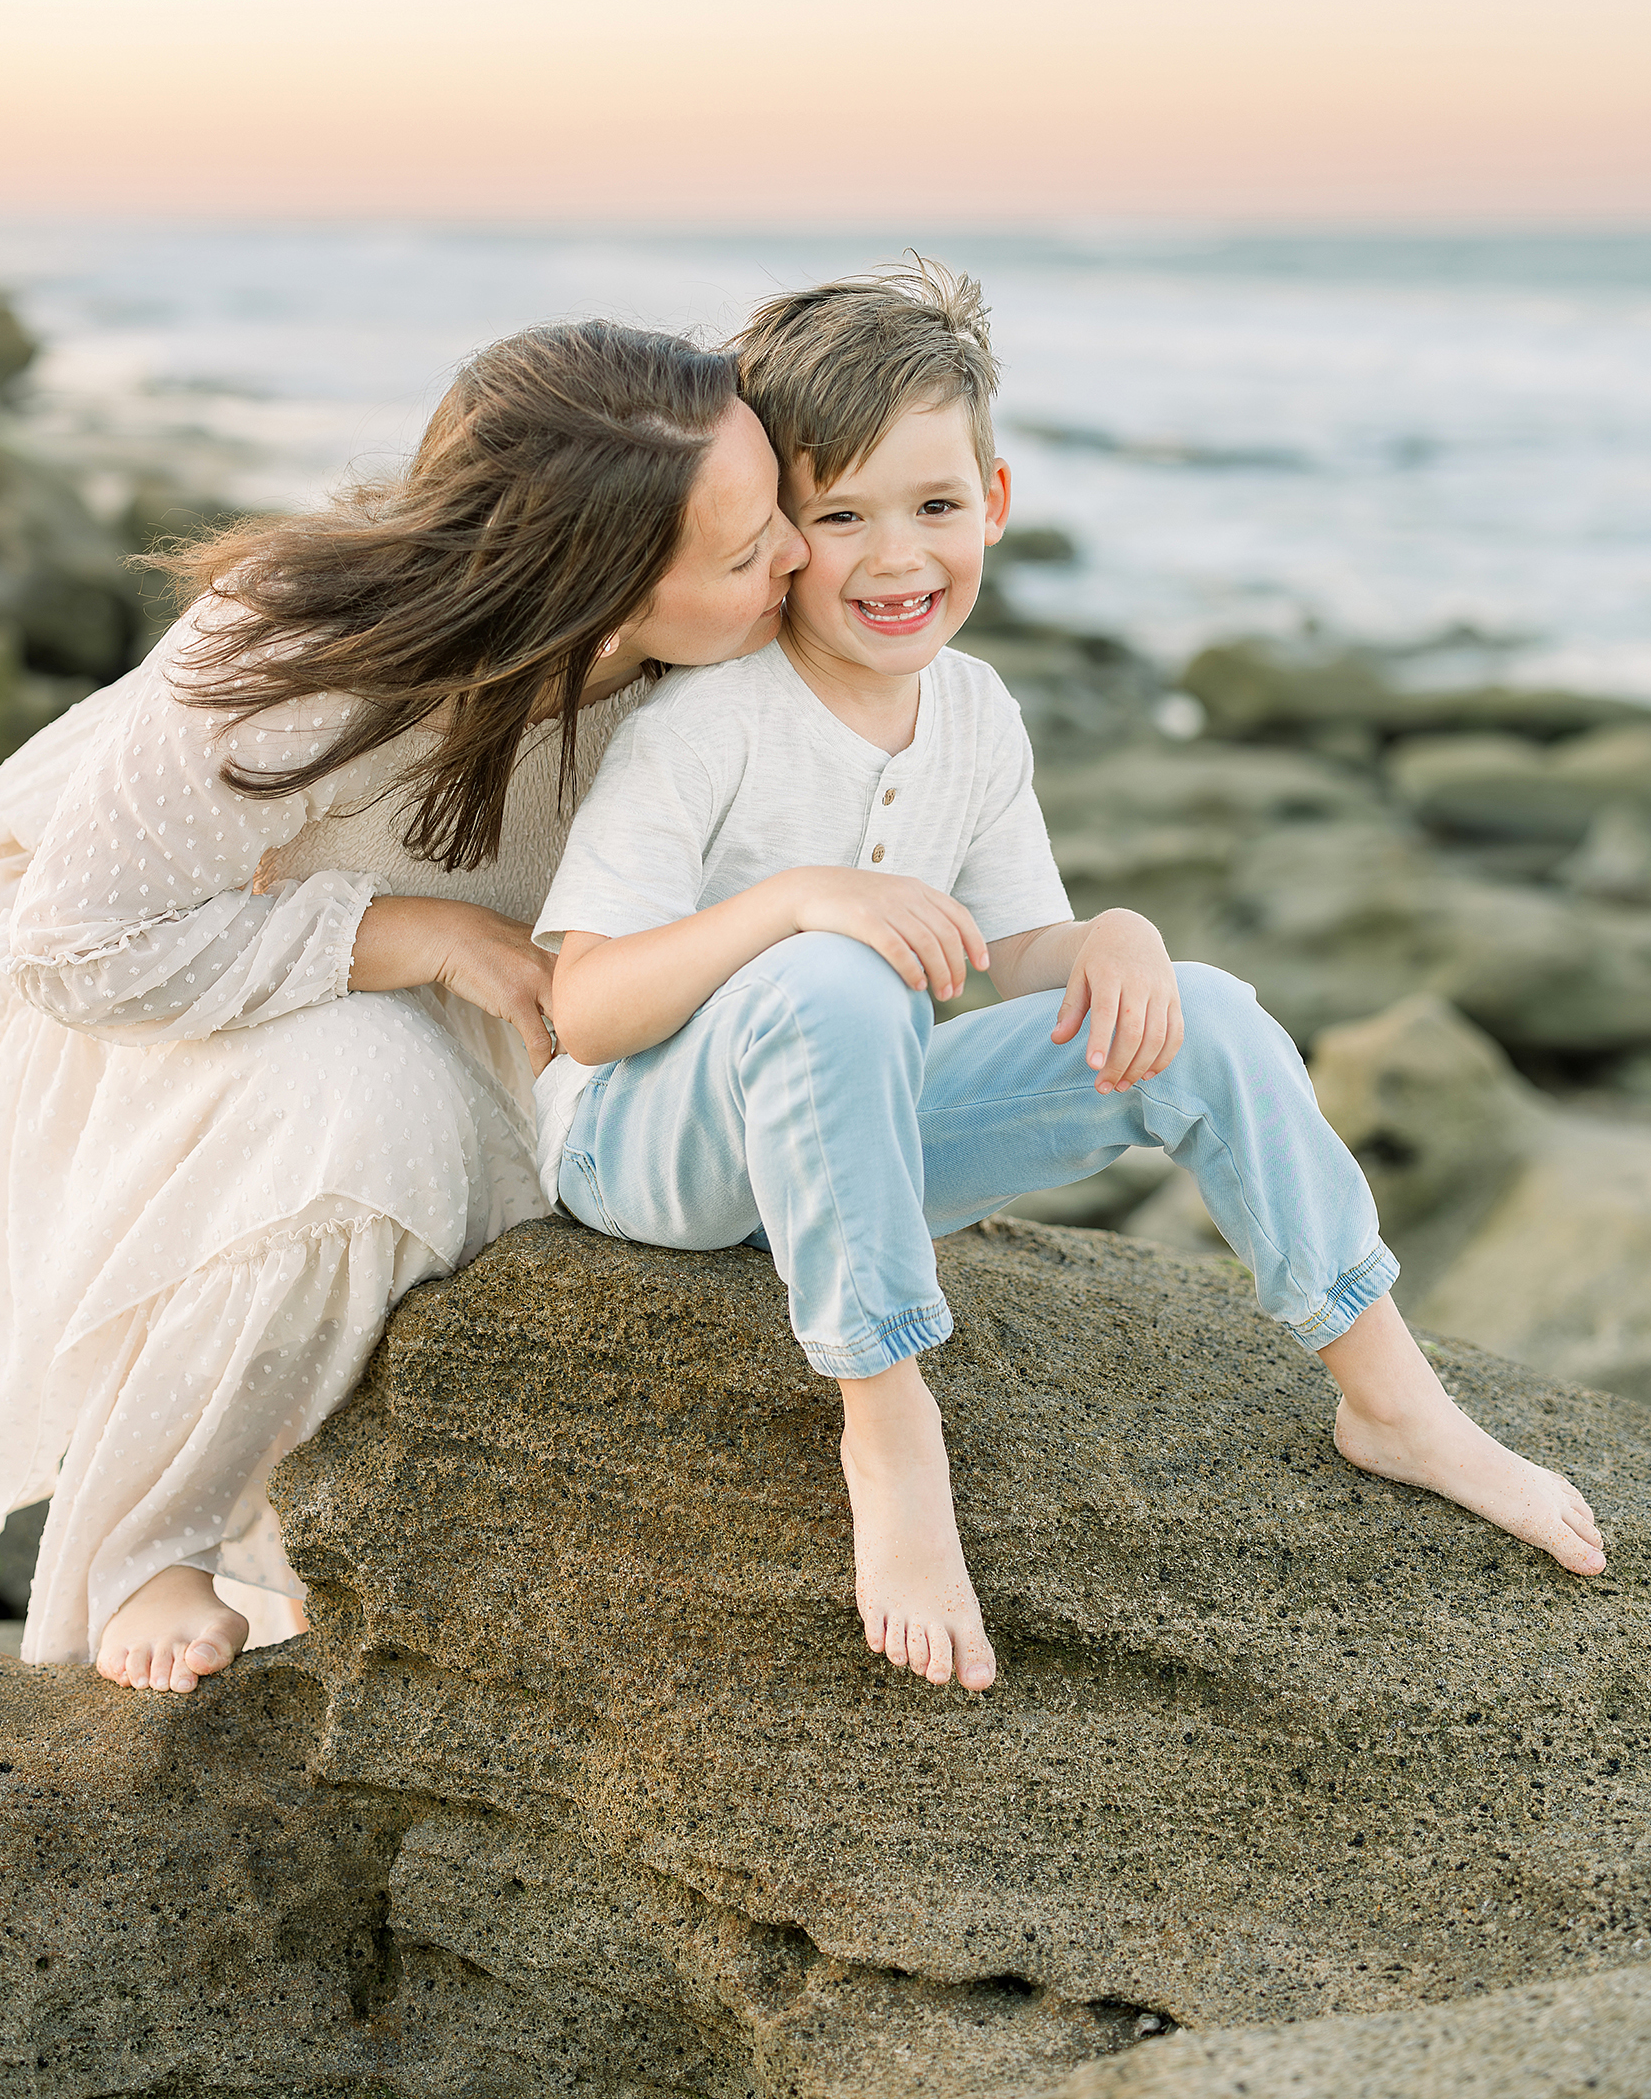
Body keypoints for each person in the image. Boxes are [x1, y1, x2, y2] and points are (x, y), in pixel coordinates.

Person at [533, 262, 1608, 1695]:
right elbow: (585, 1010)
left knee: (1205, 1013)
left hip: (860, 1140)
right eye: (839, 516)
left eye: (931, 507)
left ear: (994, 495)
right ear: (775, 533)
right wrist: (797, 903)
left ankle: (1394, 1404)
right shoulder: (707, 725)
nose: (894, 558)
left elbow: (1003, 955)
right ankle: (886, 1416)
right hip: (645, 1151)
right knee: (835, 974)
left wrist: (1108, 939)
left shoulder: (973, 711)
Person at [0, 321, 807, 1693]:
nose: (797, 561)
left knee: (533, 1167)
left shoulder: (720, 682)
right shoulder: (299, 645)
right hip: (168, 974)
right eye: (749, 546)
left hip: (464, 994)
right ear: (595, 590)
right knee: (364, 1109)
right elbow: (80, 954)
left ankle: (315, 1572)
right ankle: (149, 1551)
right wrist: (409, 933)